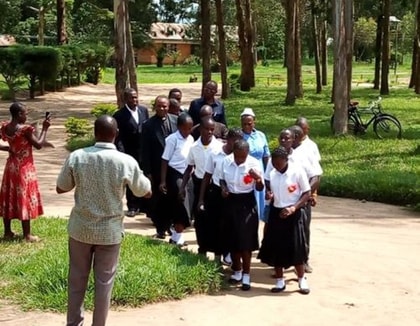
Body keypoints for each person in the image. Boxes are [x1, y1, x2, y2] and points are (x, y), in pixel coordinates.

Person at [56, 115, 152, 326]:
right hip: (109, 232)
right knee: (104, 283)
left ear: (94, 133)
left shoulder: (78, 157)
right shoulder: (125, 161)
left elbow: (61, 187)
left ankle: (73, 323)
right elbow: (144, 190)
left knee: (76, 279)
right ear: (115, 134)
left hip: (81, 229)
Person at [258, 147, 311, 295]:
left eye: (279, 163)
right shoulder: (273, 174)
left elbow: (306, 193)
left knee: (296, 247)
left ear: (286, 160)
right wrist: (269, 195)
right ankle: (280, 281)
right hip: (277, 213)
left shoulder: (297, 172)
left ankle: (301, 279)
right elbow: (271, 191)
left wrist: (294, 208)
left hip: (293, 213)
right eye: (274, 163)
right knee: (276, 247)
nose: (276, 165)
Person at [0, 102, 51, 242]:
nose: (26, 116)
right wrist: (45, 128)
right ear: (19, 114)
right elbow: (39, 145)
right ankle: (27, 235)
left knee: (9, 196)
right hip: (24, 168)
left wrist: (8, 149)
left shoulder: (6, 127)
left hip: (10, 166)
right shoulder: (25, 130)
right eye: (25, 113)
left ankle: (7, 231)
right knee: (24, 197)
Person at [220, 139, 264, 291]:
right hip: (231, 201)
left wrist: (257, 178)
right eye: (237, 156)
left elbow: (260, 187)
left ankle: (246, 274)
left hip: (246, 202)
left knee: (245, 241)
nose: (239, 160)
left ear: (247, 154)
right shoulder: (226, 161)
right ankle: (237, 271)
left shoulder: (253, 164)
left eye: (242, 157)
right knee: (233, 239)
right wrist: (224, 188)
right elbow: (221, 179)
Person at [197, 128, 244, 264]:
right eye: (234, 140)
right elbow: (207, 176)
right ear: (227, 139)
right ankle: (217, 257)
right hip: (216, 193)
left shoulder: (240, 155)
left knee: (231, 227)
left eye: (239, 141)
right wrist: (201, 199)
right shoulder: (215, 153)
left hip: (234, 194)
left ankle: (228, 255)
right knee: (215, 225)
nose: (236, 143)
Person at [179, 116, 223, 255]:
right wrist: (182, 187)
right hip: (198, 185)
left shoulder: (219, 148)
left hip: (214, 186)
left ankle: (217, 253)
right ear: (200, 129)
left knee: (215, 220)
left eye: (212, 129)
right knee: (200, 220)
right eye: (207, 129)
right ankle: (202, 249)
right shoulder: (194, 147)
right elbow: (189, 168)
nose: (209, 132)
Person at [141, 95, 178, 239]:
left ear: (169, 107)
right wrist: (148, 171)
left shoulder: (175, 121)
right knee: (158, 199)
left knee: (172, 198)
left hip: (173, 168)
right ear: (155, 107)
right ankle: (160, 228)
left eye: (165, 106)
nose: (162, 108)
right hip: (156, 169)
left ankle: (170, 226)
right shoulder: (148, 125)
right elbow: (145, 150)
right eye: (159, 106)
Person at [113, 88, 149, 217]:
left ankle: (144, 205)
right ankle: (132, 206)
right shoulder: (119, 115)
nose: (135, 100)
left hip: (143, 152)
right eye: (131, 98)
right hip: (129, 152)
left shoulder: (143, 110)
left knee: (143, 177)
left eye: (136, 97)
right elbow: (119, 138)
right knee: (130, 179)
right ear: (125, 99)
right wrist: (122, 153)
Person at [159, 113, 194, 247]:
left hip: (187, 174)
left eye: (189, 128)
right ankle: (177, 234)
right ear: (179, 127)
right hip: (175, 174)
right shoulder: (172, 139)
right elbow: (164, 160)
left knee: (187, 204)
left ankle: (176, 235)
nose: (187, 132)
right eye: (185, 128)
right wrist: (163, 181)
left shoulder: (190, 139)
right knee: (181, 203)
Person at [240, 108, 270, 222]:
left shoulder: (261, 135)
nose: (247, 126)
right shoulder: (240, 135)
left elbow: (266, 155)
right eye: (244, 124)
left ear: (254, 122)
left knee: (260, 194)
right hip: (246, 169)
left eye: (249, 123)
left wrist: (268, 172)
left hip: (260, 168)